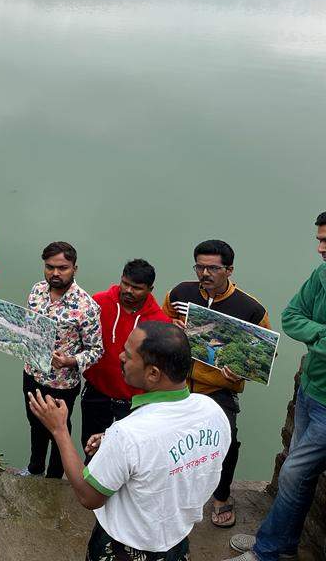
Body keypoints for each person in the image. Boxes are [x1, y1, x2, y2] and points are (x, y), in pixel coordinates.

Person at [29, 321, 231, 560]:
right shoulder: (213, 411)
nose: (121, 356)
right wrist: (114, 446)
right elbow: (173, 454)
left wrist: (60, 429)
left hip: (123, 547)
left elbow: (88, 496)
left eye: (129, 355)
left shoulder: (128, 434)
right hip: (176, 543)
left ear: (153, 373)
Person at [225, 213, 326, 561]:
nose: (320, 248)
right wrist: (321, 334)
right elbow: (292, 316)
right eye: (319, 239)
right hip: (311, 389)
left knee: (295, 471)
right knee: (297, 474)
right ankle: (282, 542)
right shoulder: (322, 275)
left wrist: (315, 335)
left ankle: (267, 551)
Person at [162, 239, 270, 529]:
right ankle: (169, 491)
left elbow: (260, 357)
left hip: (218, 387)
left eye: (213, 268)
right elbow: (161, 323)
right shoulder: (179, 294)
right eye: (200, 266)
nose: (205, 273)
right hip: (176, 381)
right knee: (167, 439)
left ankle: (221, 497)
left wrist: (242, 373)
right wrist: (172, 329)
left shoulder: (251, 309)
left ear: (229, 270)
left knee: (226, 441)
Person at [22, 241, 102, 478]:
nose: (55, 273)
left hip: (62, 383)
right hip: (32, 371)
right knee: (35, 423)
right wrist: (7, 327)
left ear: (74, 269)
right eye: (49, 267)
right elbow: (29, 326)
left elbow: (97, 350)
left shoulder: (86, 307)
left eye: (62, 268)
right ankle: (34, 469)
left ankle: (55, 477)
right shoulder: (37, 291)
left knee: (59, 430)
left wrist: (69, 361)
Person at [81, 259, 170, 455]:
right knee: (90, 446)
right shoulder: (98, 302)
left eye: (136, 288)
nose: (128, 291)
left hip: (135, 400)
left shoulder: (160, 321)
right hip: (97, 391)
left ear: (150, 289)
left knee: (128, 452)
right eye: (125, 283)